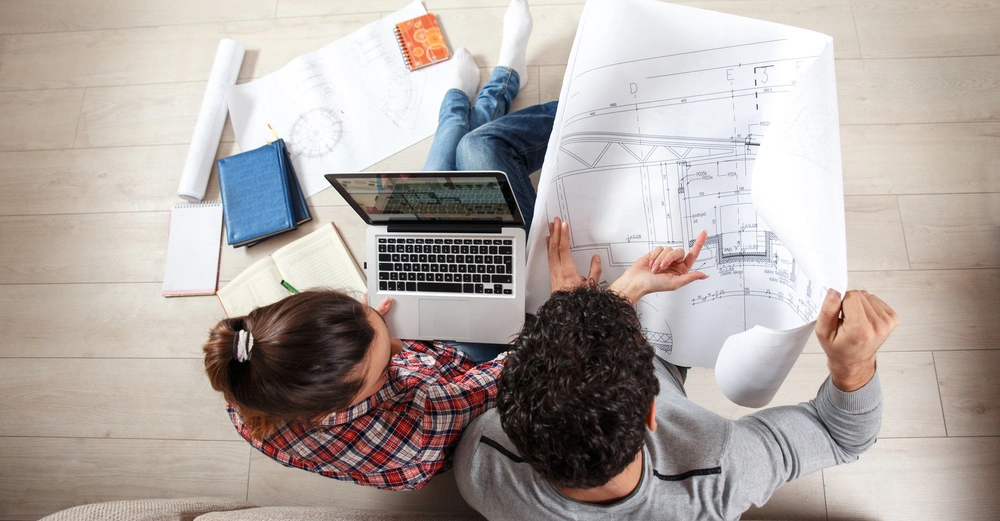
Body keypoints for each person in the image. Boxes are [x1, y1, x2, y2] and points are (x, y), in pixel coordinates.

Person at [203, 0, 555, 491]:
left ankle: (471, 94)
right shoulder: (416, 428)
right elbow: (520, 363)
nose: (392, 334)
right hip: (466, 366)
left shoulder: (250, 377)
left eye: (364, 312)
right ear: (344, 403)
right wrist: (566, 300)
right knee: (474, 154)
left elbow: (361, 348)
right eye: (384, 354)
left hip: (424, 359)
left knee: (449, 174)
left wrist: (387, 327)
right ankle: (478, 92)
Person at [453, 217, 898, 520]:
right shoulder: (717, 472)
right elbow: (842, 436)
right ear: (652, 411)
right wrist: (852, 363)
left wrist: (578, 312)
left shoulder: (482, 462)